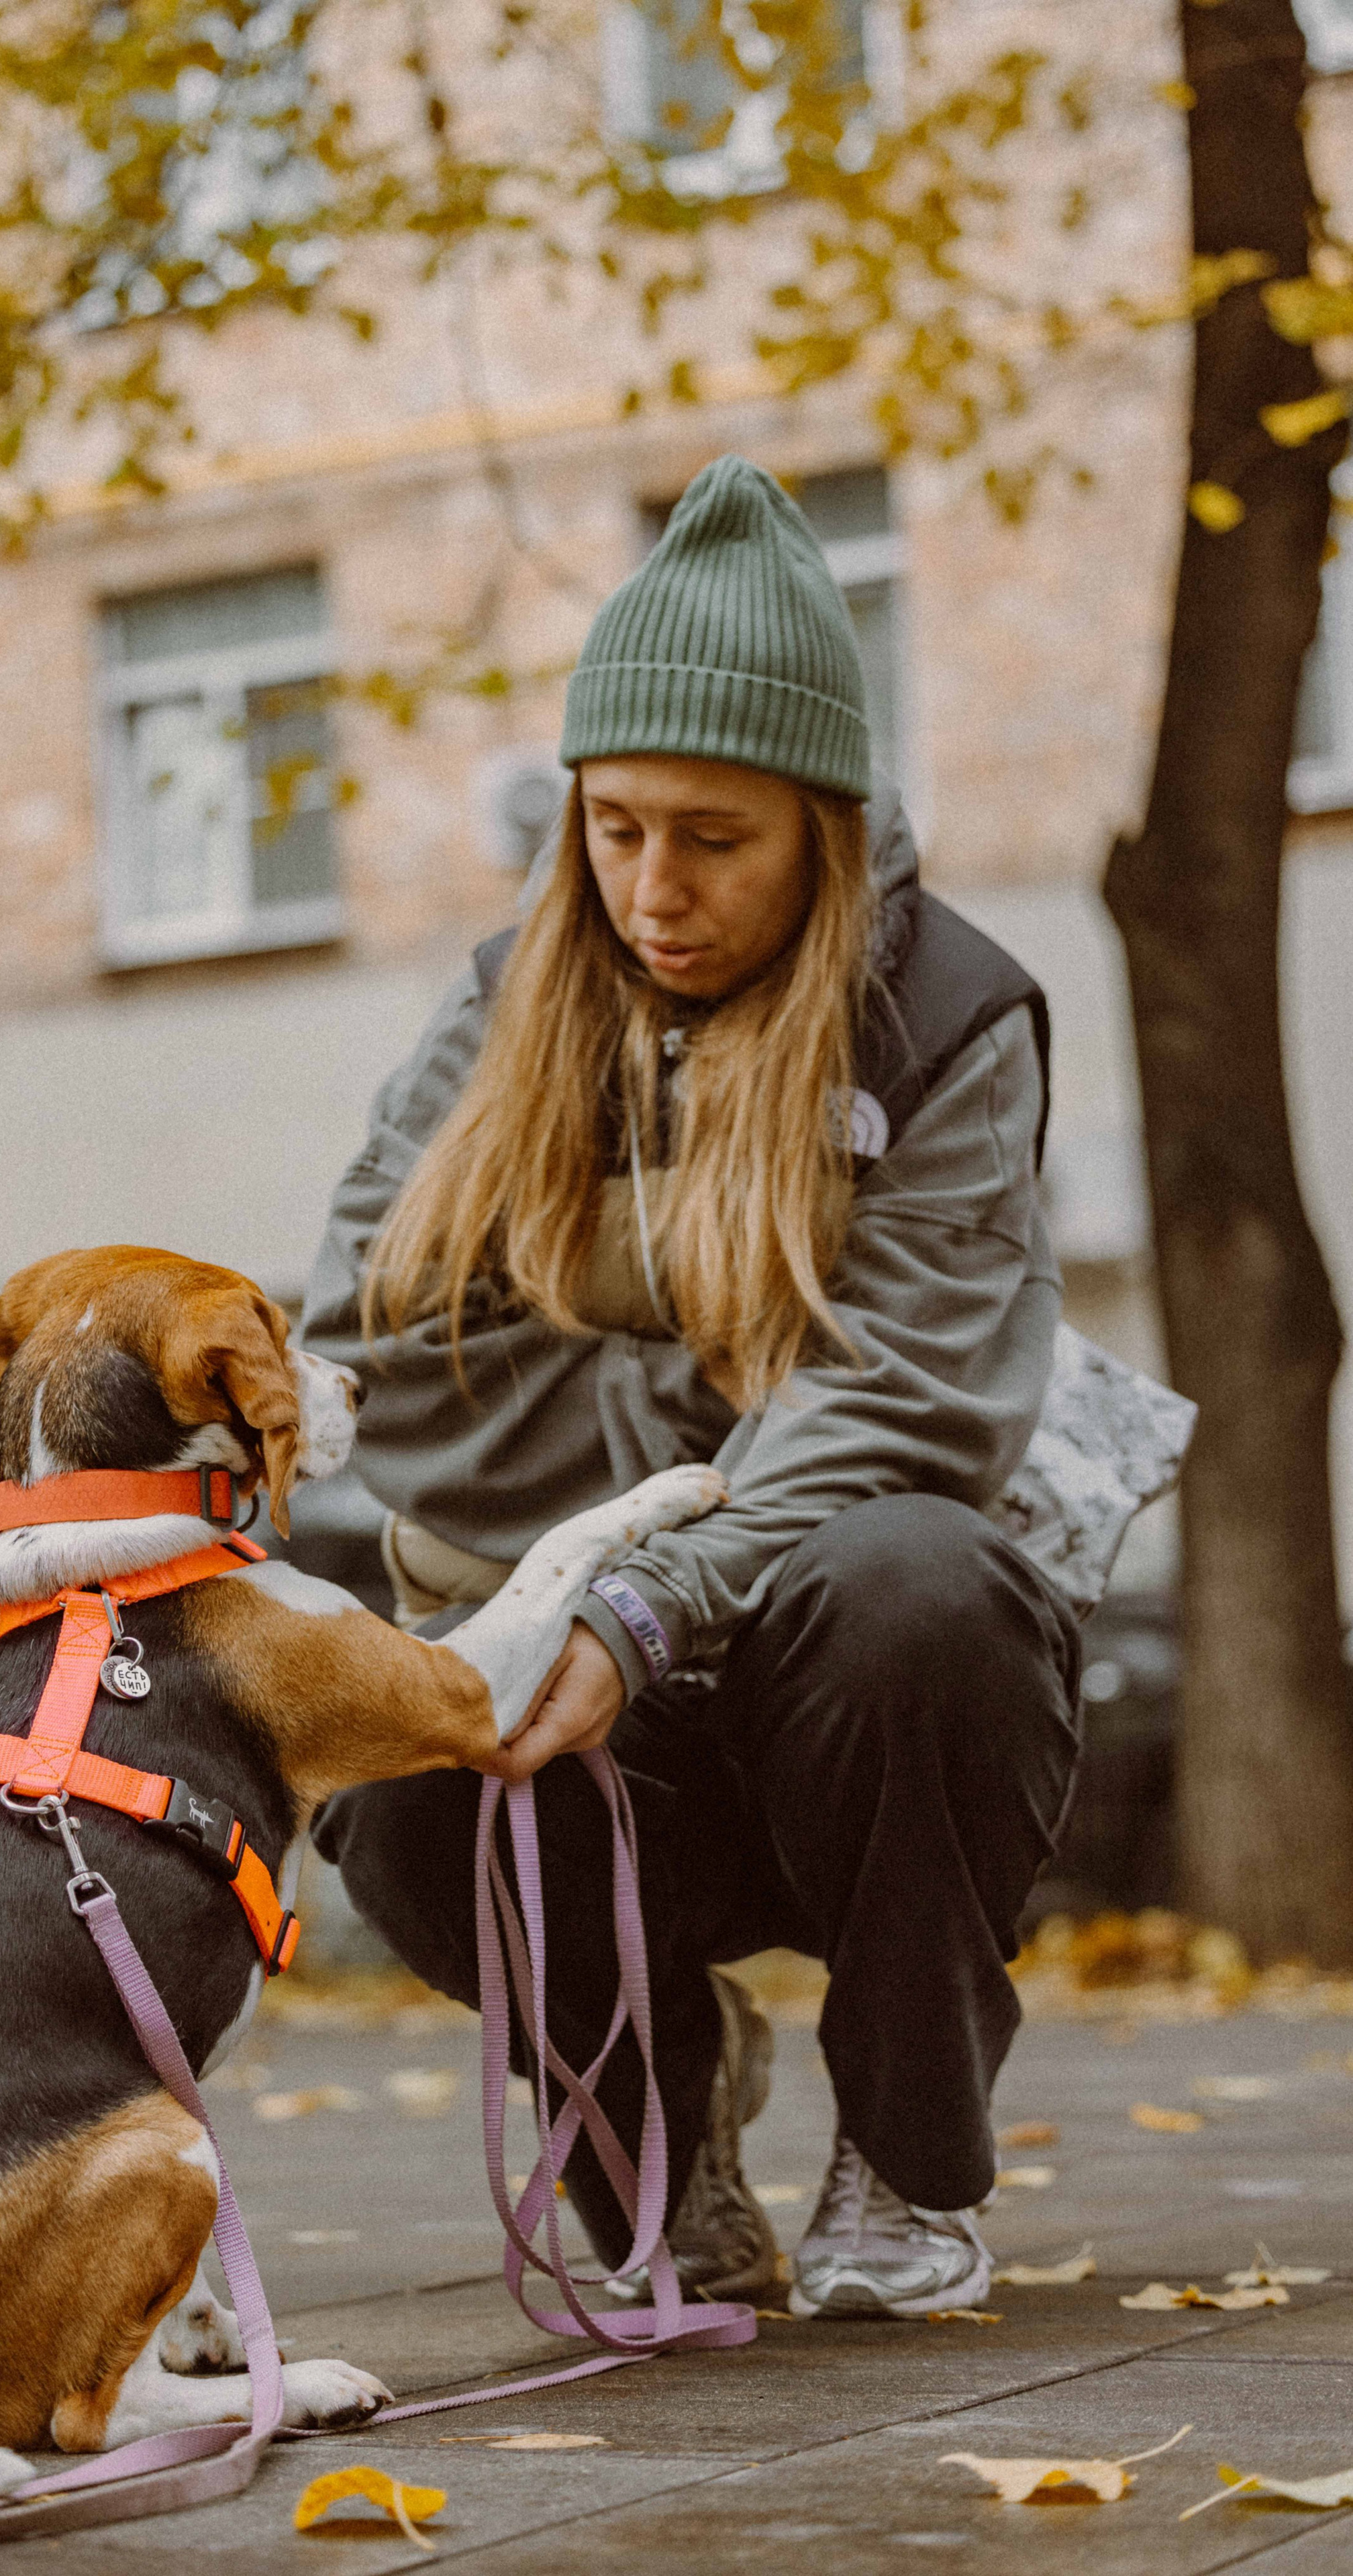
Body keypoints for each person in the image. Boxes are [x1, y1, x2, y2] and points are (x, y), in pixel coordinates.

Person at [301, 454, 1081, 2318]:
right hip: (603, 1723)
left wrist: (646, 1566)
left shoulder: (947, 1019)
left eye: (716, 838)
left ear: (825, 824)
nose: (655, 891)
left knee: (921, 1583)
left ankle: (904, 2155)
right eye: (616, 827)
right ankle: (666, 2130)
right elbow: (382, 1351)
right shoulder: (506, 1003)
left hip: (841, 1696)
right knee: (404, 1781)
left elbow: (897, 1407)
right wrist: (728, 1333)